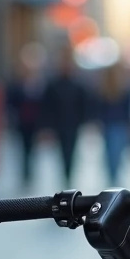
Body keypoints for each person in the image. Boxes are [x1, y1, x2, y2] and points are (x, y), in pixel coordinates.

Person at [41, 46, 92, 186]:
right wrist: (46, 126)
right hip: (58, 124)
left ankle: (68, 175)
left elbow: (84, 105)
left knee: (70, 151)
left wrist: (86, 122)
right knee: (61, 152)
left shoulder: (78, 85)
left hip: (73, 124)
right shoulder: (53, 85)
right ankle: (64, 175)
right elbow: (47, 107)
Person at [4, 43, 46, 189]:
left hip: (35, 122)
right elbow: (10, 101)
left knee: (33, 149)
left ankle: (30, 173)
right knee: (22, 148)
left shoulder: (40, 83)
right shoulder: (16, 84)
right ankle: (24, 174)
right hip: (22, 122)